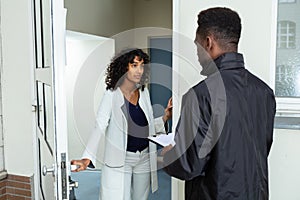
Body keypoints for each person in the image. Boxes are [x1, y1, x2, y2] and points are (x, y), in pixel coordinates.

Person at [162, 7, 276, 200]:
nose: (197, 55)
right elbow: (262, 149)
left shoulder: (200, 95)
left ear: (208, 42)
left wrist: (168, 155)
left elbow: (189, 165)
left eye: (197, 46)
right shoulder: (264, 92)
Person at [71, 48, 172, 200]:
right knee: (119, 196)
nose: (139, 70)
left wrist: (165, 117)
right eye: (134, 65)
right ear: (124, 67)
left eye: (142, 65)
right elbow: (100, 125)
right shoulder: (111, 94)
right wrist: (87, 157)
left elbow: (147, 124)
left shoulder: (144, 92)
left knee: (141, 197)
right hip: (122, 158)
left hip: (144, 157)